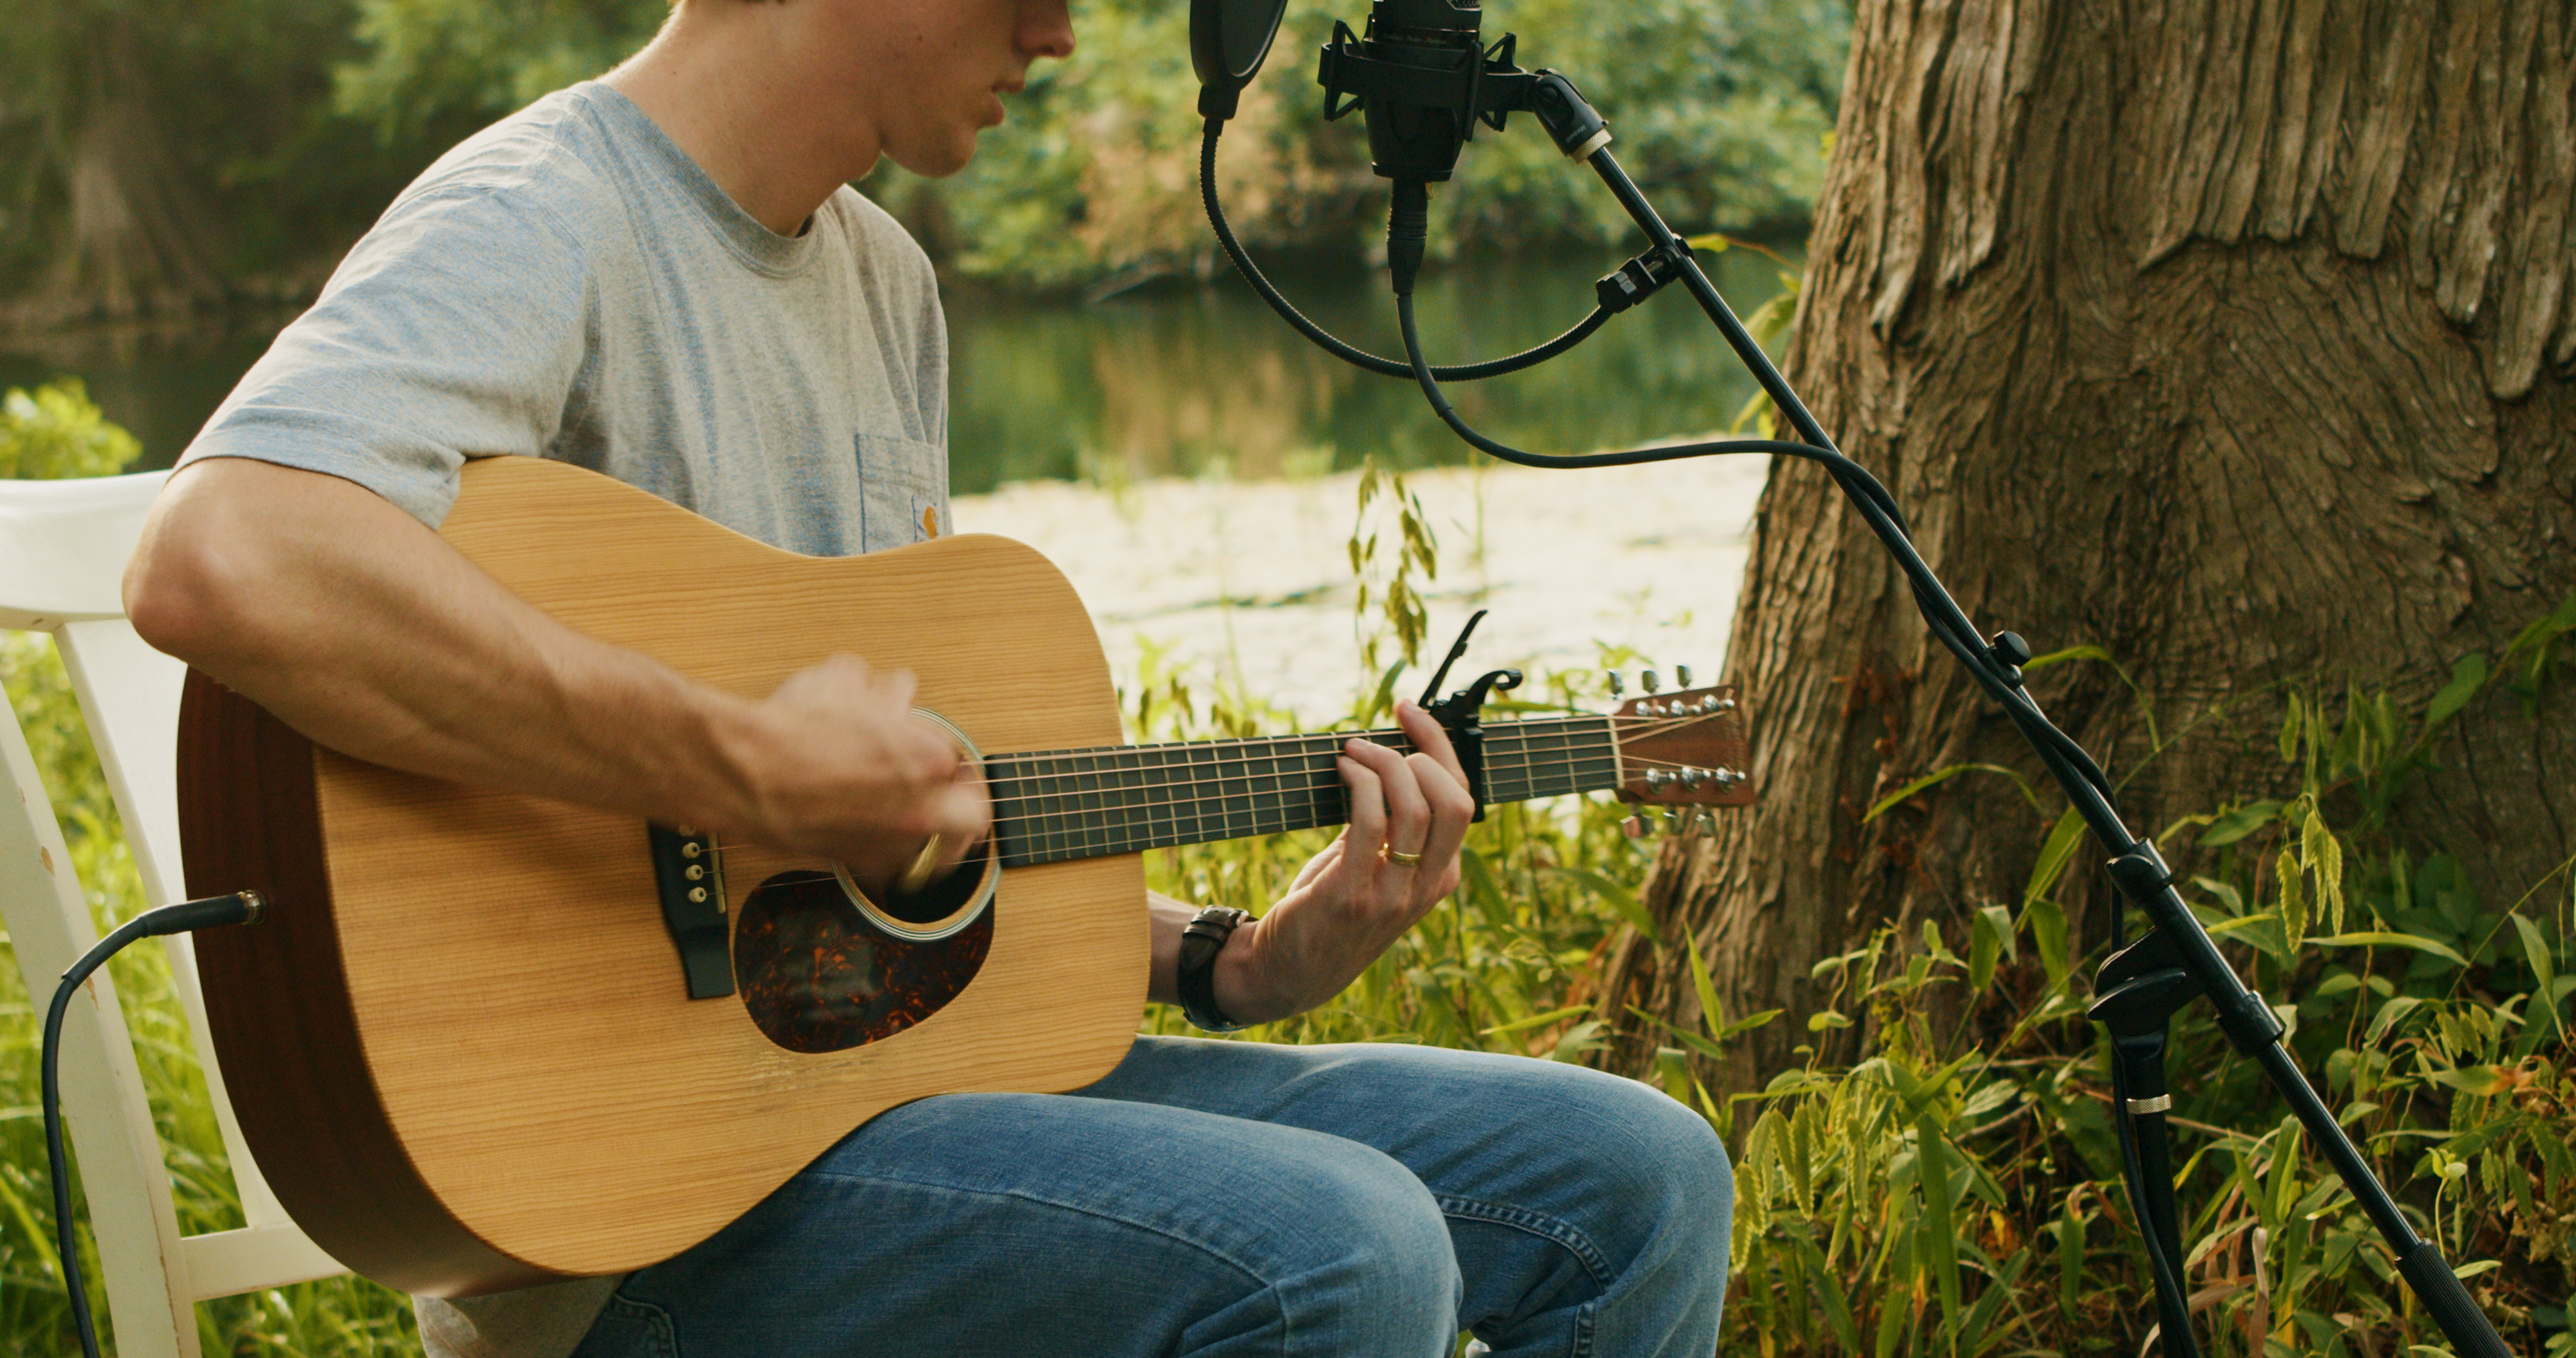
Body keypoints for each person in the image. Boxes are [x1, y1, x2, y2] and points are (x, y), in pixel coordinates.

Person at [121, 1, 1735, 1354]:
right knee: (1342, 1246)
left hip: (905, 1107)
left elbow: (901, 873)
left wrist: (1230, 962)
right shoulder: (543, 210)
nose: (1061, 28)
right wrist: (732, 764)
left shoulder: (884, 279)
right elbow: (225, 554)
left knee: (1638, 1175)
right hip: (631, 1218)